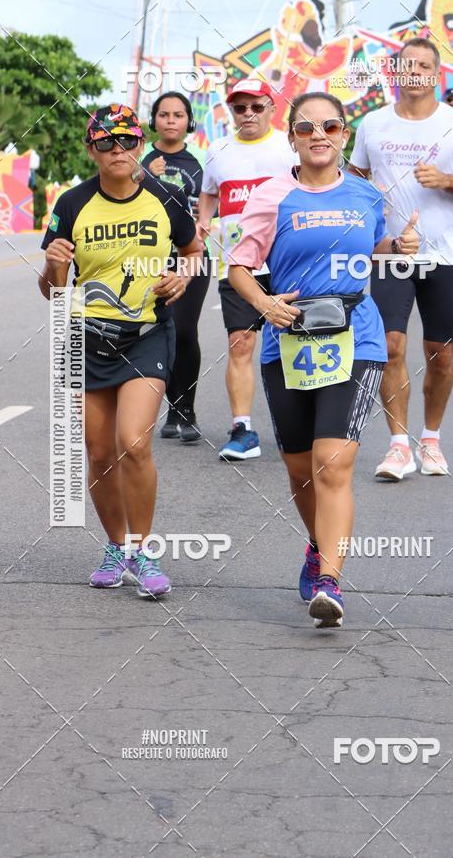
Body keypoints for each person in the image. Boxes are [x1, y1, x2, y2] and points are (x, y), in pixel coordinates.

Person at [227, 92, 419, 628]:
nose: (319, 134)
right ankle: (318, 543)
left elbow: (372, 247)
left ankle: (330, 581)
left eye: (331, 125)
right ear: (291, 136)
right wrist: (265, 304)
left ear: (343, 135)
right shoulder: (272, 196)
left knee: (332, 464)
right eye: (307, 126)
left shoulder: (366, 194)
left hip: (355, 336)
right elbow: (240, 266)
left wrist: (395, 249)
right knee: (299, 470)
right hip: (286, 341)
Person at [39, 104, 201, 597]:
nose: (117, 151)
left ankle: (145, 552)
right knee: (100, 451)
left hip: (146, 333)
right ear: (91, 150)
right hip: (86, 338)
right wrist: (53, 265)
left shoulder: (166, 198)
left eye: (127, 141)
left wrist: (181, 276)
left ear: (140, 145)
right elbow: (52, 293)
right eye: (105, 142)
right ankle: (117, 546)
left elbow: (195, 253)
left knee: (134, 441)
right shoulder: (71, 204)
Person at [349, 37, 453, 481]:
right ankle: (397, 446)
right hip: (392, 253)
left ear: (436, 74)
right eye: (407, 65)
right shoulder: (373, 124)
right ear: (396, 71)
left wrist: (446, 180)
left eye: (423, 66)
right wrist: (369, 209)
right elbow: (354, 179)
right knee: (391, 346)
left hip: (441, 256)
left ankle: (430, 439)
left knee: (441, 354)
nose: (415, 72)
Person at [198, 79, 295, 460]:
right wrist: (203, 220)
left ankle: (296, 423)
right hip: (238, 264)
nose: (249, 114)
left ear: (272, 108)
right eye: (241, 108)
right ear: (232, 112)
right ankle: (243, 429)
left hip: (287, 259)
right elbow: (209, 191)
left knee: (292, 343)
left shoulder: (287, 147)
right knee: (241, 342)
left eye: (256, 107)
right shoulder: (218, 150)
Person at [140, 91, 209, 442]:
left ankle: (186, 410)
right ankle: (172, 407)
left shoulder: (202, 158)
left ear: (188, 121)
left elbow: (215, 198)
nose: (170, 120)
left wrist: (209, 221)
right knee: (159, 330)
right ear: (153, 120)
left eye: (178, 115)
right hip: (151, 257)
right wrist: (144, 175)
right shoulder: (142, 159)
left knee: (184, 330)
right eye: (163, 115)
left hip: (192, 254)